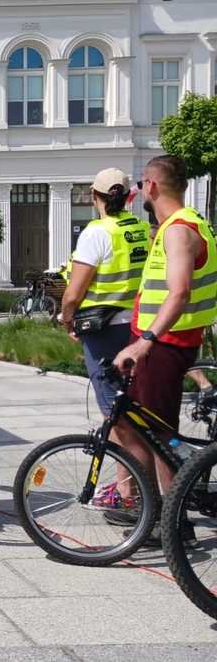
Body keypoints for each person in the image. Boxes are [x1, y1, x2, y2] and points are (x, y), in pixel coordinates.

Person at [113, 155, 217, 536]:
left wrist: (145, 343)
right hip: (167, 341)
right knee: (138, 425)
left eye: (142, 184)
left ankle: (167, 522)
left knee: (158, 433)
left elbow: (179, 293)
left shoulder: (177, 231)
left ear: (152, 186)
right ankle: (154, 512)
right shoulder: (187, 225)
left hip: (163, 344)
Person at [59, 168, 149, 417]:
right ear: (128, 197)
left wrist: (67, 319)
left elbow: (74, 294)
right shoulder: (142, 229)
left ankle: (130, 454)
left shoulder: (96, 232)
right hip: (139, 323)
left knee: (112, 406)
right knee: (133, 400)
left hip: (103, 327)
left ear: (93, 195)